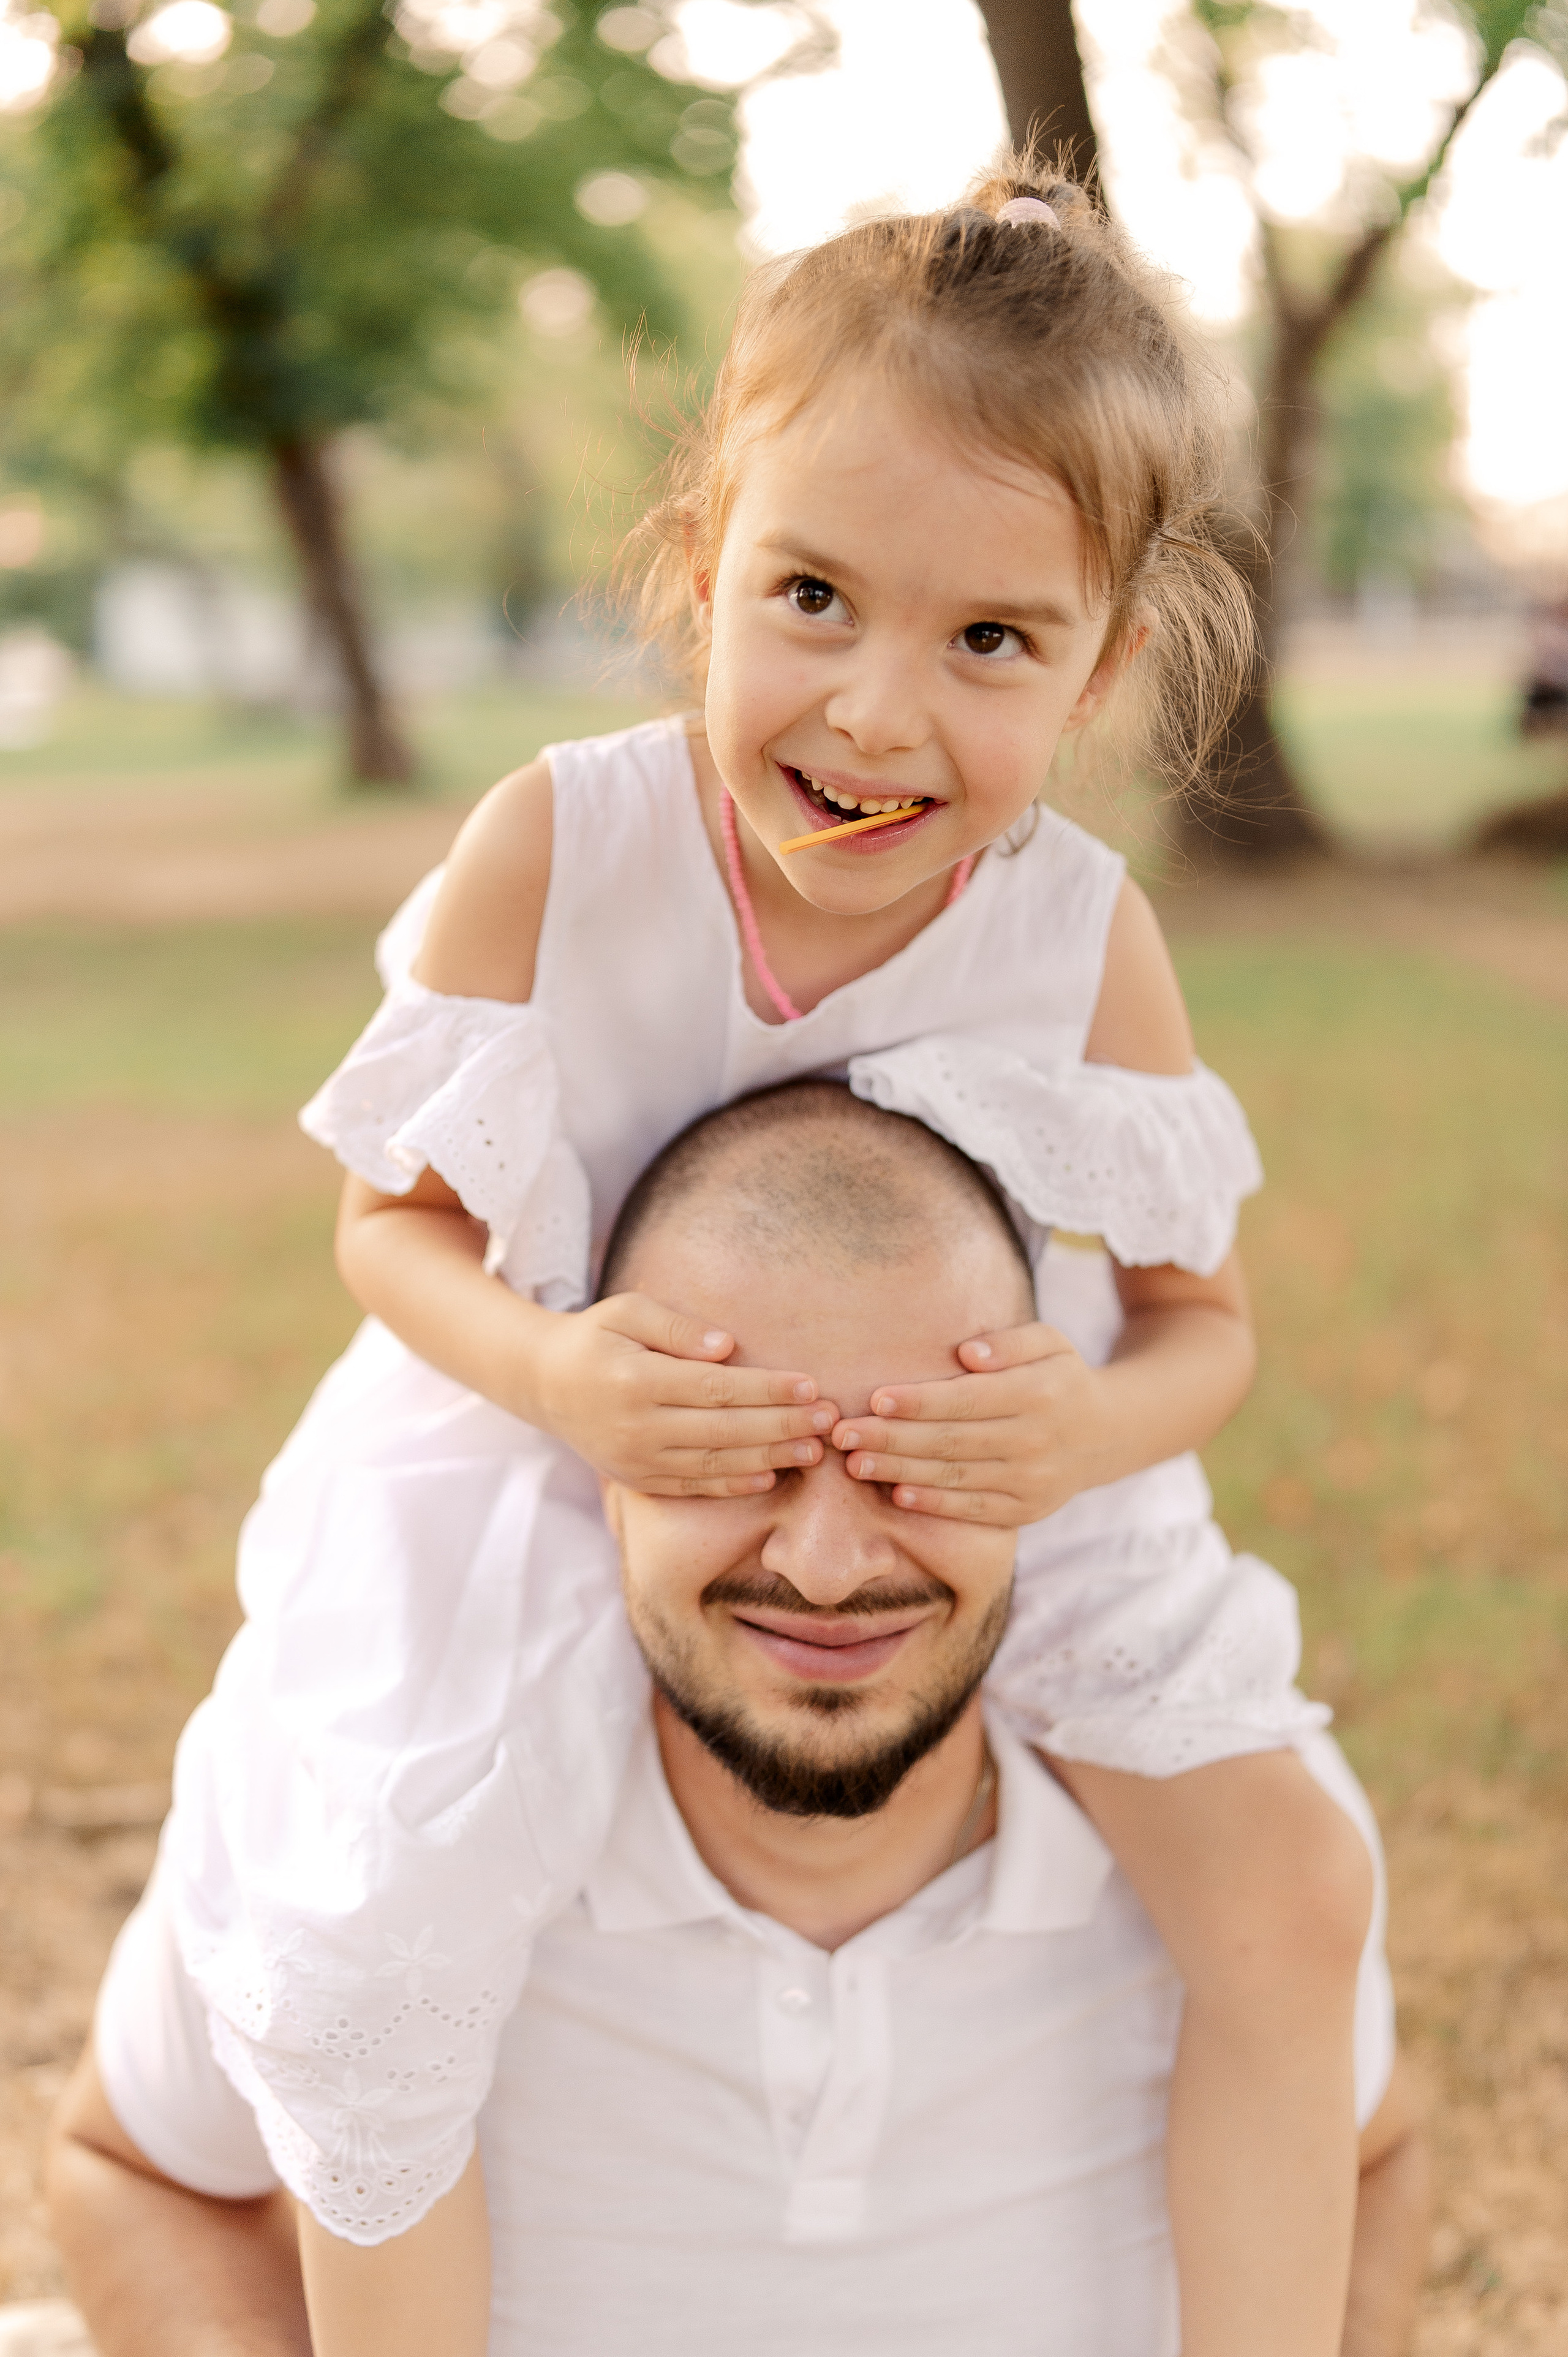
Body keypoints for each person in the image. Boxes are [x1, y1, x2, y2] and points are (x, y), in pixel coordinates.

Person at [130, 161, 1376, 2356]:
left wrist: (1080, 1422)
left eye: (990, 638)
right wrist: (558, 1377)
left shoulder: (1086, 935)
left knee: (1288, 1887)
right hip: (556, 1423)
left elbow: (1205, 1324)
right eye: (814, 597)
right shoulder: (561, 840)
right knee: (379, 1935)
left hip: (987, 1452)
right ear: (704, 570)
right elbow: (384, 1227)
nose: (878, 714)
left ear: (1098, 670)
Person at [49, 1088, 1430, 2356]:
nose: (826, 1564)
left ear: (1040, 1473)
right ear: (599, 1476)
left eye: (919, 1457)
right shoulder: (378, 1831)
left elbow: (1365, 2157)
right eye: (728, 1449)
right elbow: (134, 2170)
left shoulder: (1232, 1850)